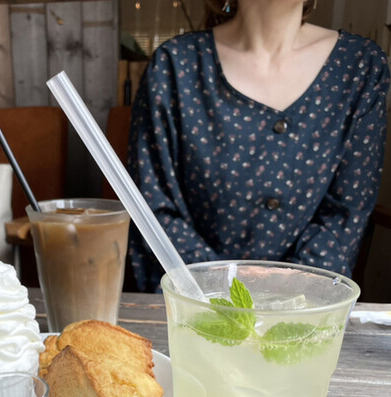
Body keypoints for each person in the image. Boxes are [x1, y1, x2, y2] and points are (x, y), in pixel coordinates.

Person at [127, 0, 390, 292]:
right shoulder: (174, 65)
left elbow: (345, 215)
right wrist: (223, 290)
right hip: (197, 303)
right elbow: (153, 210)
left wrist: (282, 296)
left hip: (305, 306)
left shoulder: (359, 66)